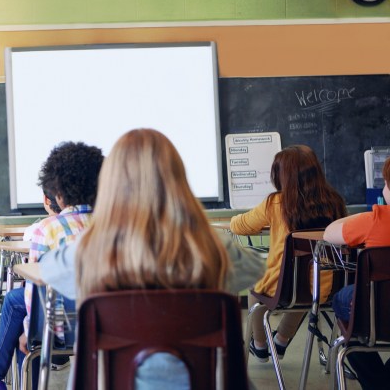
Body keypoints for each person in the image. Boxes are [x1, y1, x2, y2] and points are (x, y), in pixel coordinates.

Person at [41, 128, 264, 389]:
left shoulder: (87, 250)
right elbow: (256, 269)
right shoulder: (215, 246)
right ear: (178, 179)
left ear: (109, 184)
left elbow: (48, 269)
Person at [0, 141, 104, 390]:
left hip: (62, 329)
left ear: (58, 193)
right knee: (17, 302)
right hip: (107, 325)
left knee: (16, 304)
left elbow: (36, 290)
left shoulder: (48, 229)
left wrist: (29, 331)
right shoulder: (113, 225)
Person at [231, 144, 346, 362]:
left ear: (283, 175)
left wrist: (234, 219)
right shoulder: (335, 202)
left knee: (258, 280)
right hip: (327, 289)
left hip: (284, 287)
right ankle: (281, 340)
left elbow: (240, 226)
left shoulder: (275, 203)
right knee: (305, 282)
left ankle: (260, 345)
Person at [324, 157, 390, 390]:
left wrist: (361, 216)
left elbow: (329, 233)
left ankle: (377, 383)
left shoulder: (375, 219)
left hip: (380, 314)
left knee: (343, 300)